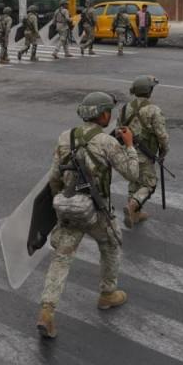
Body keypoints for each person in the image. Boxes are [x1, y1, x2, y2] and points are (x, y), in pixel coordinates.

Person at [37, 92, 142, 339]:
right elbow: (133, 174)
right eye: (109, 112)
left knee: (61, 259)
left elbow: (54, 177)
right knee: (111, 245)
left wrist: (60, 204)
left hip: (69, 207)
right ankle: (107, 293)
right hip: (96, 210)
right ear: (103, 114)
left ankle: (47, 311)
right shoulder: (107, 142)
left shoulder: (66, 137)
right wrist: (129, 146)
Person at [115, 75, 169, 228]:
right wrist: (164, 151)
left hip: (128, 151)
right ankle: (133, 205)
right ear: (149, 91)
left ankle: (135, 215)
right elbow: (162, 135)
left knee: (134, 182)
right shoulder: (153, 110)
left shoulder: (125, 108)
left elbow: (119, 130)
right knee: (149, 184)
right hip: (145, 154)